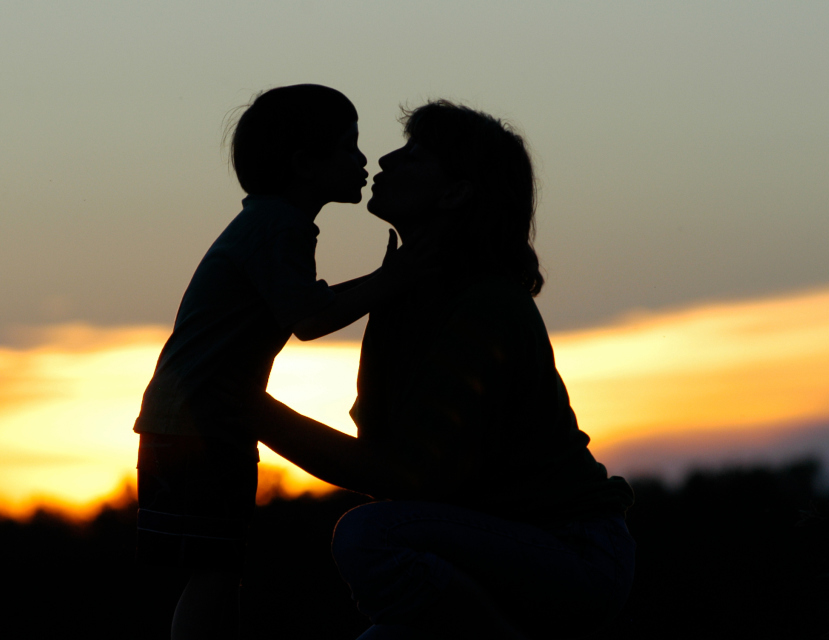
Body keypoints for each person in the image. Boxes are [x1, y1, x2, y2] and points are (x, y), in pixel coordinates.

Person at [252, 101, 637, 639]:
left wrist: (254, 413)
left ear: (456, 193)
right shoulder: (401, 296)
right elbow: (386, 461)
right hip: (488, 546)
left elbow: (405, 477)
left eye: (414, 155)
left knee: (370, 535)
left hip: (570, 551)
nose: (385, 160)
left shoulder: (487, 307)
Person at [132, 84, 404, 640]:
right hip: (202, 423)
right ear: (304, 163)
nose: (363, 160)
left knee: (216, 569)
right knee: (216, 570)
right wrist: (391, 282)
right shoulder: (280, 227)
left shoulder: (269, 222)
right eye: (349, 146)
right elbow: (310, 316)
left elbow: (304, 305)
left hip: (188, 419)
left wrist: (382, 282)